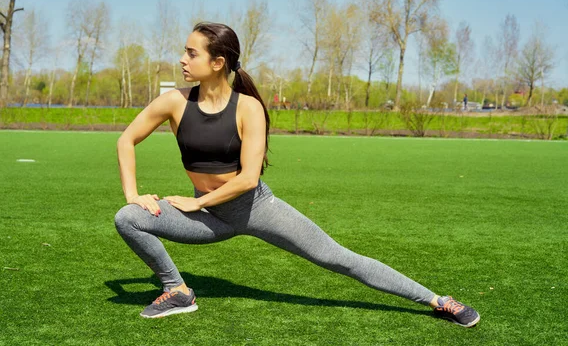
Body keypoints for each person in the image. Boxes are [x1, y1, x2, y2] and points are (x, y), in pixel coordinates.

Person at [114, 22, 480, 327]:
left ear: (217, 62)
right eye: (185, 50)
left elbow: (248, 178)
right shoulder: (175, 102)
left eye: (192, 53)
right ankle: (177, 290)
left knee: (338, 258)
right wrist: (134, 195)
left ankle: (438, 300)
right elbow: (126, 140)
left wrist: (199, 201)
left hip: (253, 207)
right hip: (208, 218)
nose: (182, 59)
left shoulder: (249, 109)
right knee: (128, 218)